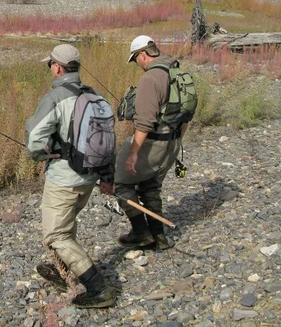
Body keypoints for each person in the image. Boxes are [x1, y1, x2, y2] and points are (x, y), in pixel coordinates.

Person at [25, 44, 115, 309]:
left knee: (56, 235)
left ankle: (99, 289)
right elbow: (109, 143)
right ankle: (62, 270)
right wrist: (107, 177)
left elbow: (34, 142)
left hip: (64, 179)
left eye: (50, 65)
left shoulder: (55, 98)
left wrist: (43, 156)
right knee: (66, 224)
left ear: (57, 67)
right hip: (90, 178)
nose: (50, 69)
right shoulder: (96, 96)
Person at [114, 35, 187, 250]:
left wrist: (134, 153)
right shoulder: (179, 73)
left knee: (120, 184)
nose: (136, 64)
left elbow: (144, 122)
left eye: (135, 59)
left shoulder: (150, 79)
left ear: (142, 55)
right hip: (173, 143)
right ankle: (160, 237)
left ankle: (141, 233)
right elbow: (187, 114)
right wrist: (176, 141)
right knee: (150, 186)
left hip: (153, 144)